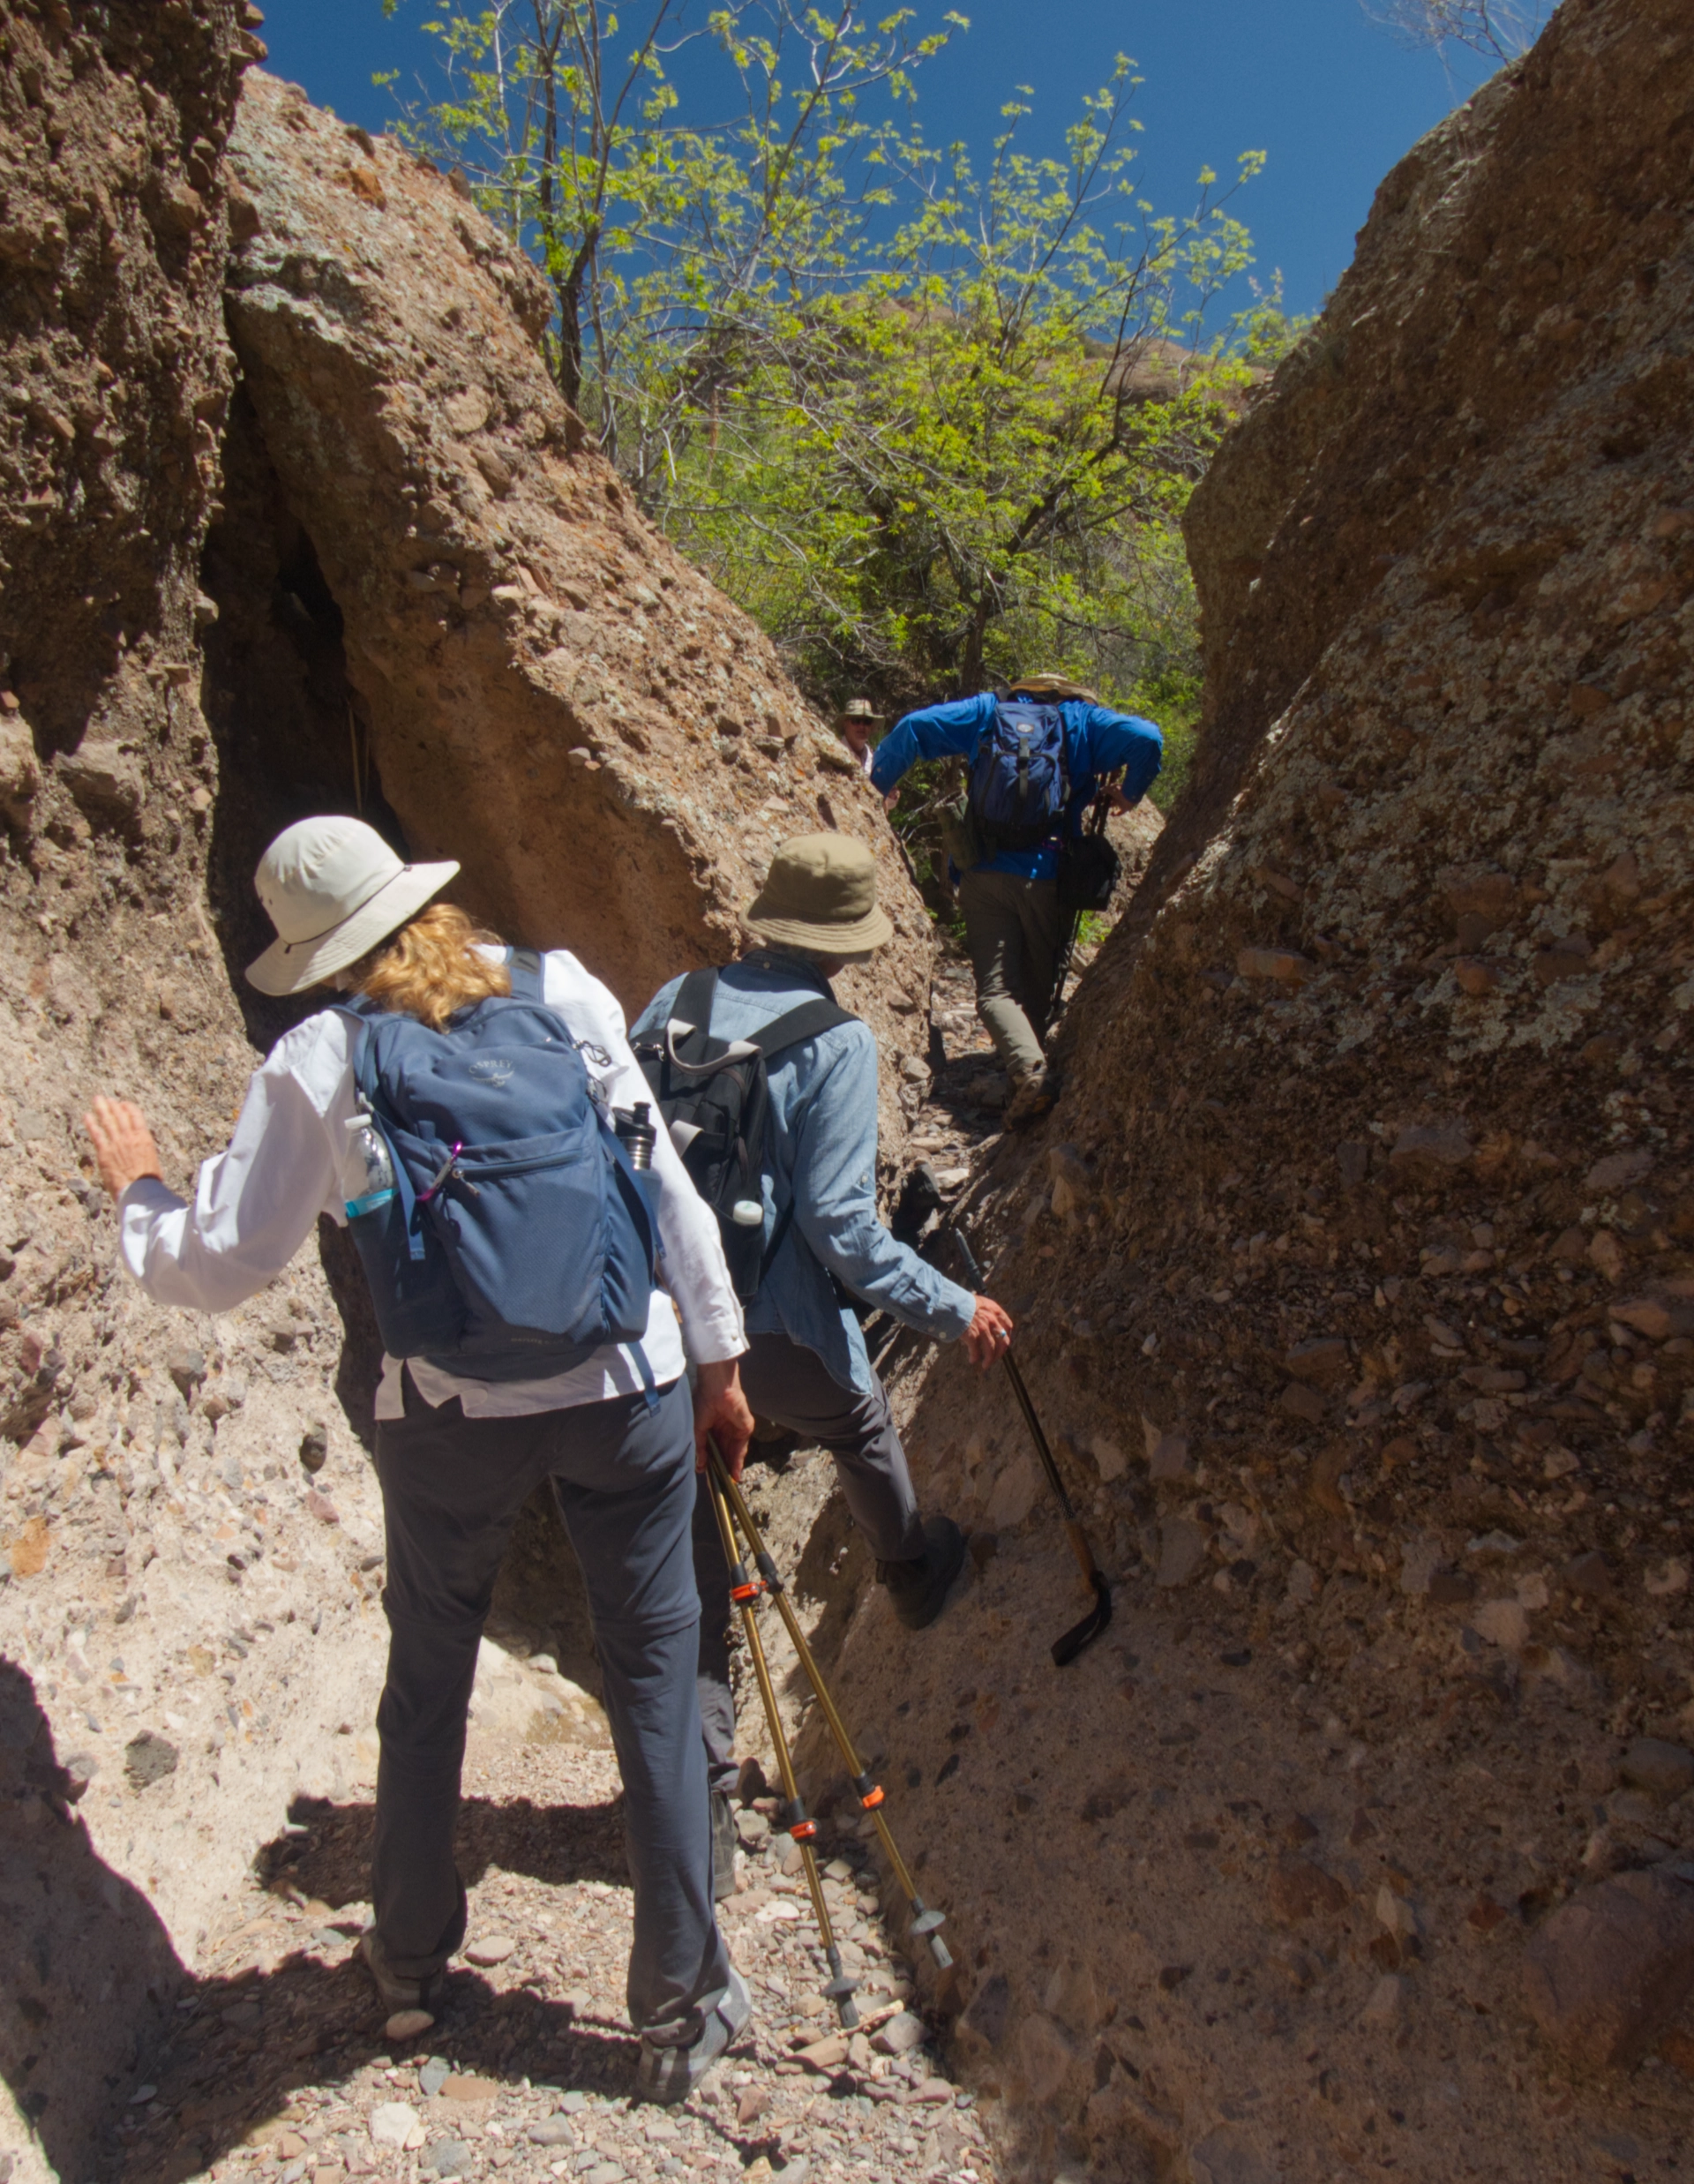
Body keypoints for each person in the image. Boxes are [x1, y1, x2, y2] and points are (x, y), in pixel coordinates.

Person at [82, 815, 757, 2105]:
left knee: (429, 1669)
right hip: (630, 1386)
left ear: (316, 951)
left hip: (449, 1411)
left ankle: (405, 1953)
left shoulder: (321, 1053)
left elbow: (225, 1262)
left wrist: (142, 1194)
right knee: (659, 1675)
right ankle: (679, 2002)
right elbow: (659, 1181)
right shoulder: (561, 988)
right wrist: (719, 1364)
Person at [630, 835, 1015, 1895]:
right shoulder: (836, 1045)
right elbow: (844, 1231)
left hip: (652, 1323)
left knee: (696, 1554)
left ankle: (692, 1808)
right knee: (855, 1422)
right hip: (772, 1331)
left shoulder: (674, 997)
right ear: (843, 945)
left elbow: (615, 1142)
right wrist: (952, 1307)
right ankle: (913, 1572)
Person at [870, 674, 1163, 1127]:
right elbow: (1147, 738)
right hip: (1049, 874)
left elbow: (913, 728)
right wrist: (1131, 793)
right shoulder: (1081, 721)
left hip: (984, 872)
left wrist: (873, 790)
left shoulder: (990, 711)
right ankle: (1030, 1072)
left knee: (994, 991)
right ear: (1065, 694)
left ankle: (1027, 1071)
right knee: (1038, 987)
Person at [833, 698, 884, 776]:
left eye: (867, 722)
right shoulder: (835, 753)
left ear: (871, 727)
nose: (862, 726)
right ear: (845, 724)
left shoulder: (873, 759)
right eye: (856, 721)